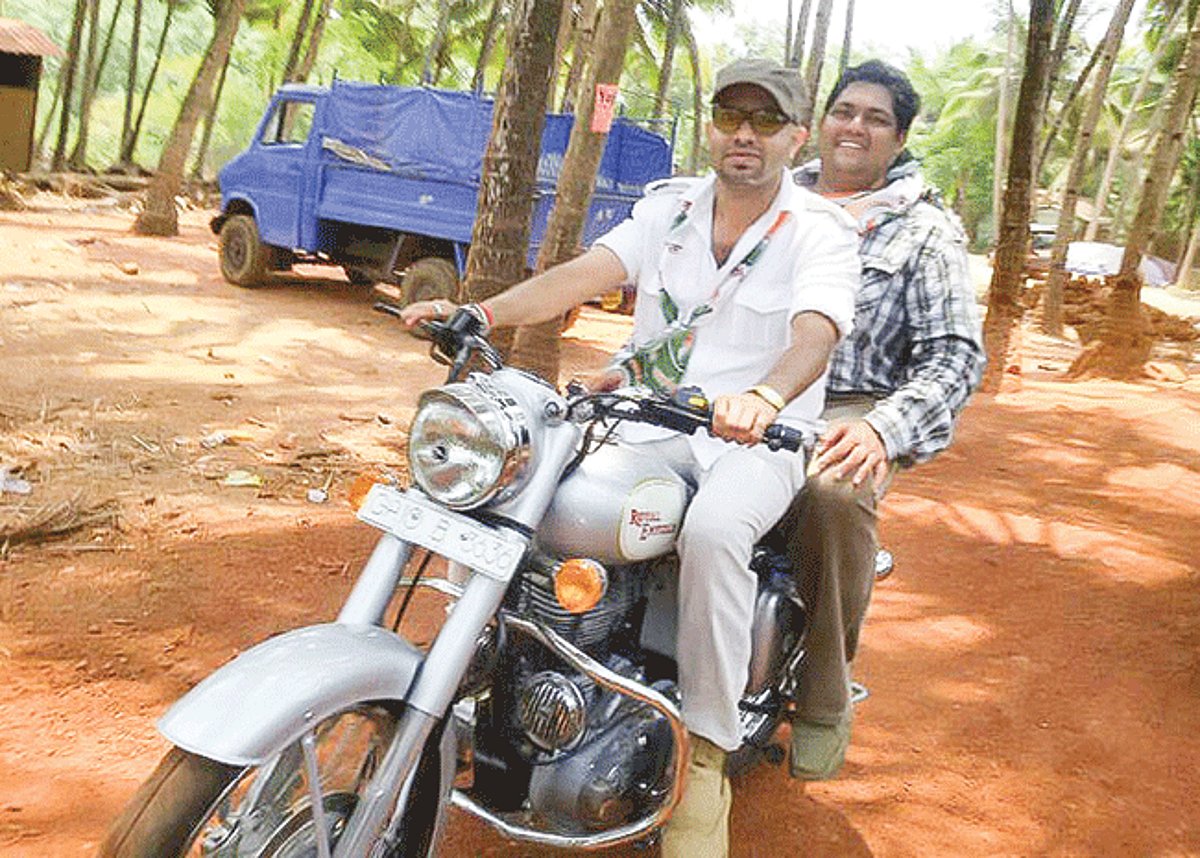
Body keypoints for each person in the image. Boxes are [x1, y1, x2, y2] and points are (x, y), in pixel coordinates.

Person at [402, 58, 861, 858]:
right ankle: (497, 676)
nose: (744, 133)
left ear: (794, 134)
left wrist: (767, 399)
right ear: (712, 125)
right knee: (529, 494)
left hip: (754, 440)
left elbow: (815, 332)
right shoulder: (670, 209)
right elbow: (586, 275)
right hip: (645, 420)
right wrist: (480, 311)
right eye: (730, 116)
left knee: (717, 531)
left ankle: (707, 755)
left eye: (764, 120)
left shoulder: (819, 230)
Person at [779, 59, 986, 781]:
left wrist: (880, 431)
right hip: (748, 386)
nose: (855, 127)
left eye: (875, 119)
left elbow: (955, 357)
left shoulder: (925, 230)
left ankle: (823, 697)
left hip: (850, 404)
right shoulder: (769, 197)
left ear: (898, 140)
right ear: (820, 121)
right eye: (845, 111)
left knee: (830, 494)